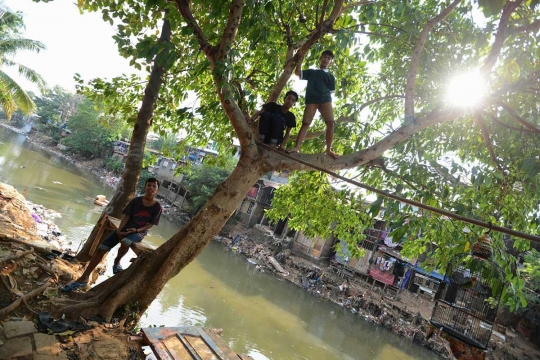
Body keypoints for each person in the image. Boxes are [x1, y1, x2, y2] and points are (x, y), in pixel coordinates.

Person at [61, 178, 163, 292]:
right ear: (145, 187)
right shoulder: (136, 201)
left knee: (126, 242)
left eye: (154, 186)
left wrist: (135, 230)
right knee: (101, 248)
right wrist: (119, 230)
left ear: (157, 190)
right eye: (149, 185)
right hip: (124, 227)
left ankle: (117, 261)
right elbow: (126, 216)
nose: (151, 188)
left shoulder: (157, 206)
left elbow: (150, 225)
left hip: (138, 232)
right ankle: (84, 277)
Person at [288, 50, 338, 159]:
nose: (326, 59)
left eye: (329, 58)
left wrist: (323, 96)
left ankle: (328, 149)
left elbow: (331, 91)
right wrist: (300, 61)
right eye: (324, 57)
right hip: (311, 100)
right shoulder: (312, 72)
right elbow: (298, 73)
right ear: (320, 58)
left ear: (331, 62)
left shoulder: (330, 76)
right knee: (306, 123)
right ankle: (297, 147)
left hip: (325, 100)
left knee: (331, 123)